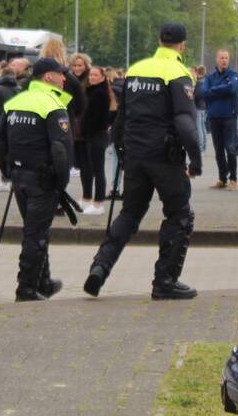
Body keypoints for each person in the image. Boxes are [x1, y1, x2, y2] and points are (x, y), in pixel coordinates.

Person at [84, 23, 202, 301]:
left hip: (135, 154)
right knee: (180, 215)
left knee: (129, 213)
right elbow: (184, 121)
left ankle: (100, 266)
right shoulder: (178, 73)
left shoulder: (136, 69)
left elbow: (122, 116)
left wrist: (122, 150)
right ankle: (165, 281)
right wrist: (196, 160)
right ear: (182, 45)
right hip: (165, 157)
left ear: (159, 41)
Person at [0, 57, 75, 301]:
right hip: (43, 179)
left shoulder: (16, 101)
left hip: (20, 176)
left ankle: (43, 282)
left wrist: (7, 171)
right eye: (61, 74)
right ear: (48, 77)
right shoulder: (52, 104)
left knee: (35, 229)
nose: (64, 78)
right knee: (35, 234)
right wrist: (61, 182)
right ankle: (26, 288)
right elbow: (60, 148)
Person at [202, 50, 238, 190]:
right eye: (221, 58)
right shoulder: (210, 76)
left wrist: (213, 89)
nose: (224, 60)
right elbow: (204, 93)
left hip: (229, 116)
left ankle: (233, 179)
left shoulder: (233, 74)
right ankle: (222, 178)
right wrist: (221, 90)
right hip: (214, 117)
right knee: (218, 150)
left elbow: (232, 89)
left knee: (230, 149)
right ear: (217, 59)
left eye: (226, 58)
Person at [80, 65, 115, 214]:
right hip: (92, 134)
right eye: (91, 75)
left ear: (102, 77)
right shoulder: (92, 91)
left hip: (97, 135)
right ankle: (89, 200)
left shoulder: (100, 93)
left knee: (98, 169)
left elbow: (97, 117)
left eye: (95, 75)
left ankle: (98, 203)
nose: (92, 77)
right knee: (91, 168)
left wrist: (86, 127)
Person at [193, 65, 207, 153]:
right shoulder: (206, 81)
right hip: (204, 106)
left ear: (198, 72)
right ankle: (204, 145)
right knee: (203, 126)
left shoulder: (199, 82)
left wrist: (192, 95)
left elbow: (197, 95)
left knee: (199, 127)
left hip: (198, 106)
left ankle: (200, 146)